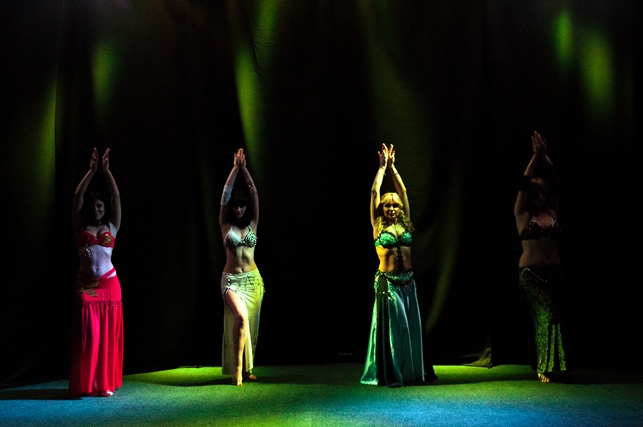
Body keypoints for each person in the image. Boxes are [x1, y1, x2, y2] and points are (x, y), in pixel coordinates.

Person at [361, 144, 434, 387]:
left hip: (409, 282)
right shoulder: (378, 226)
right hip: (389, 283)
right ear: (381, 208)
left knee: (410, 328)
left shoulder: (406, 224)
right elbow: (375, 191)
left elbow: (403, 191)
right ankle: (391, 371)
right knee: (396, 327)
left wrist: (393, 168)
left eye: (395, 205)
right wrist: (382, 169)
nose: (392, 208)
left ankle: (411, 371)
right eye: (387, 205)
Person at [514, 131, 568, 383]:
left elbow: (556, 183)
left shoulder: (552, 211)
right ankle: (542, 366)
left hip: (554, 274)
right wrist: (535, 159)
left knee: (555, 318)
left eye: (543, 193)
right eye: (536, 194)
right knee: (543, 318)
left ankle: (554, 363)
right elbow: (523, 186)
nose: (540, 197)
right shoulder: (522, 215)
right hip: (532, 276)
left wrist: (546, 158)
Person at [69, 148, 123, 397]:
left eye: (100, 205)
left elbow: (116, 196)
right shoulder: (79, 227)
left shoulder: (112, 226)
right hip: (86, 286)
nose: (97, 209)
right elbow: (78, 196)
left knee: (106, 336)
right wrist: (91, 172)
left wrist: (107, 172)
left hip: (109, 285)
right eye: (93, 206)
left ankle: (104, 384)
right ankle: (88, 383)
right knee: (89, 334)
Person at [219, 148, 264, 386]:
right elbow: (225, 195)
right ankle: (236, 369)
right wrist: (235, 169)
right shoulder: (225, 226)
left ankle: (246, 369)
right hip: (232, 282)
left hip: (253, 281)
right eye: (235, 206)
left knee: (249, 325)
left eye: (241, 207)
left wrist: (245, 170)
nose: (238, 209)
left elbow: (254, 194)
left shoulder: (253, 224)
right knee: (241, 317)